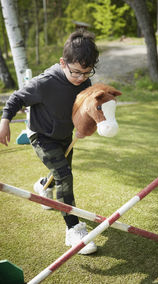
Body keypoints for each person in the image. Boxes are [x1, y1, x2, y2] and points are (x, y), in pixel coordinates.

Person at [0, 30, 99, 255]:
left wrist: (86, 125)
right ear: (62, 62)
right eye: (75, 72)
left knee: (60, 174)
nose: (81, 78)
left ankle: (43, 185)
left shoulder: (85, 81)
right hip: (41, 135)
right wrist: (5, 121)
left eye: (87, 72)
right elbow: (16, 98)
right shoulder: (45, 82)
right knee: (64, 175)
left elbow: (87, 108)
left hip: (64, 136)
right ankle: (73, 230)